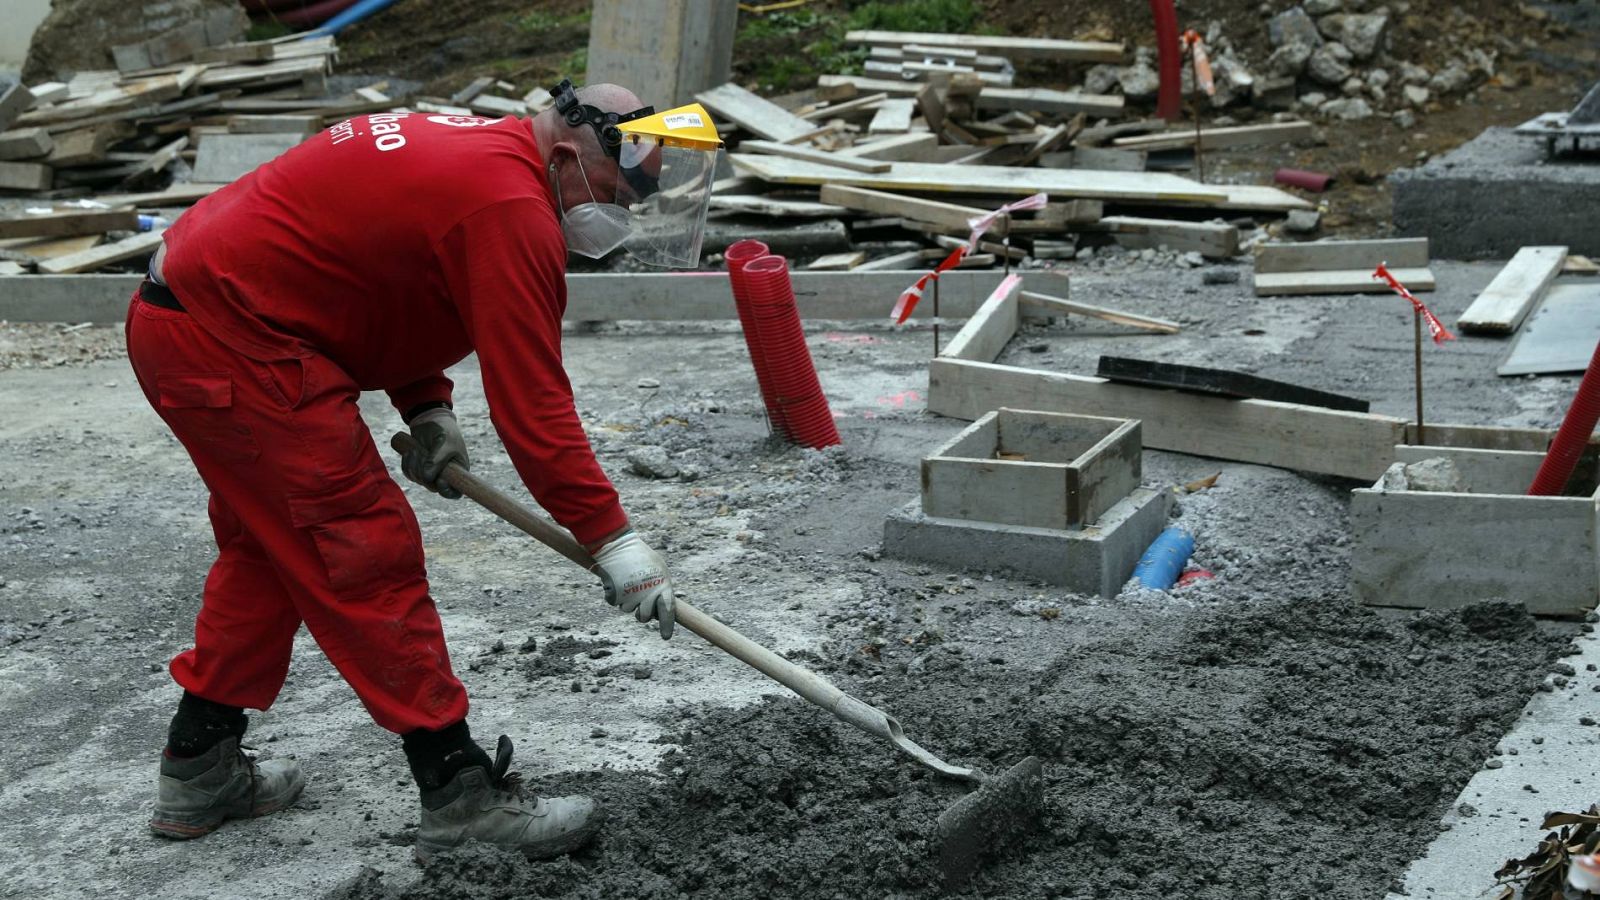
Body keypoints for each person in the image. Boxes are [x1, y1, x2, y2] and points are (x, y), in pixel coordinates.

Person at [127, 79, 722, 862]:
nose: (627, 211)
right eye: (621, 189)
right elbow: (534, 410)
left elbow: (380, 274)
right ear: (572, 153)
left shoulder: (482, 153)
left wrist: (427, 408)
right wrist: (613, 540)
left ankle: (199, 766)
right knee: (358, 548)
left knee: (272, 549)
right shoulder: (509, 209)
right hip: (235, 338)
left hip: (202, 317)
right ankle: (459, 794)